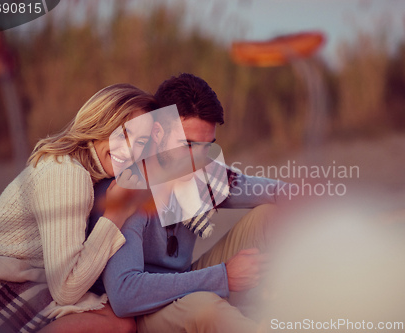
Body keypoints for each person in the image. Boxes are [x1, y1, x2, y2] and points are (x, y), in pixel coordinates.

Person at [93, 73, 286, 333]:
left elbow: (269, 190)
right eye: (188, 144)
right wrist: (223, 277)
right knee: (204, 308)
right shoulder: (127, 187)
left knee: (274, 215)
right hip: (145, 312)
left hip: (189, 282)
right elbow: (124, 294)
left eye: (206, 147)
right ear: (158, 132)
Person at [0, 83, 157, 333]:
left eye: (141, 142)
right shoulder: (69, 174)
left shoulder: (81, 168)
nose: (131, 152)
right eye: (123, 133)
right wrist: (116, 215)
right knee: (119, 322)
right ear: (100, 122)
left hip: (22, 278)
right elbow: (66, 290)